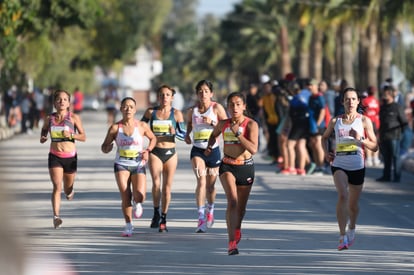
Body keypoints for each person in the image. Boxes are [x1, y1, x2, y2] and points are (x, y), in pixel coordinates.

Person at [322, 87, 378, 250]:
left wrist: (360, 139)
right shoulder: (335, 121)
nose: (350, 102)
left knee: (353, 205)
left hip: (357, 165)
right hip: (339, 163)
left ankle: (351, 227)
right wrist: (326, 153)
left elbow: (374, 146)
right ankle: (342, 236)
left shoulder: (364, 121)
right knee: (342, 196)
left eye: (353, 99)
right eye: (347, 99)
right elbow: (324, 137)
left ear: (358, 101)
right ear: (342, 102)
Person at [205, 91, 259, 255]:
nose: (234, 107)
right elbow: (213, 136)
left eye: (238, 104)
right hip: (227, 166)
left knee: (241, 209)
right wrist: (209, 146)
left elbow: (253, 149)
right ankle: (231, 243)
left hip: (246, 167)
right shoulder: (223, 124)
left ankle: (237, 228)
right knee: (233, 201)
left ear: (244, 106)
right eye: (231, 104)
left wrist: (238, 134)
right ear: (227, 106)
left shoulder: (251, 125)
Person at [101, 97, 156, 237]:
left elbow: (153, 138)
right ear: (120, 109)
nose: (128, 109)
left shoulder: (142, 126)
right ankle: (128, 225)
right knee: (125, 195)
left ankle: (138, 203)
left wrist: (148, 150)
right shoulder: (115, 128)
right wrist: (107, 148)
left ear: (135, 110)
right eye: (125, 107)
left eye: (131, 107)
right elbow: (104, 146)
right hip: (121, 164)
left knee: (140, 195)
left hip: (138, 164)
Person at [184, 80, 228, 233]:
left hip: (213, 150)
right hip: (198, 150)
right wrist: (187, 135)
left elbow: (226, 126)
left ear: (211, 93)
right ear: (197, 94)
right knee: (201, 181)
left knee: (210, 186)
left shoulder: (217, 108)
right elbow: (189, 124)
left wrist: (213, 122)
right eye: (200, 91)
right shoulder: (192, 111)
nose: (203, 94)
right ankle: (201, 217)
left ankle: (211, 209)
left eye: (206, 91)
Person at [141, 85, 186, 232]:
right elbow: (140, 128)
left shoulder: (177, 114)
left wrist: (175, 132)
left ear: (172, 97)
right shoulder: (151, 112)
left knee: (167, 188)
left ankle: (164, 218)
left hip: (171, 153)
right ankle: (155, 212)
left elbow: (184, 136)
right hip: (155, 151)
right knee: (156, 184)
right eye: (162, 95)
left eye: (167, 95)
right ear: (158, 97)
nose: (164, 97)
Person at [40, 89, 86, 229]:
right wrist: (43, 137)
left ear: (69, 103)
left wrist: (71, 135)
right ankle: (56, 217)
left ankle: (70, 191)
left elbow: (83, 137)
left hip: (70, 157)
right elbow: (44, 130)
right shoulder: (49, 118)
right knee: (56, 186)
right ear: (54, 103)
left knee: (67, 188)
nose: (61, 102)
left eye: (65, 99)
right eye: (59, 99)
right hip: (55, 156)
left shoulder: (74, 118)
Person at [376, 86, 408, 183]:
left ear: (390, 95)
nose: (384, 96)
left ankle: (397, 176)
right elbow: (381, 121)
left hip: (394, 136)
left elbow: (404, 122)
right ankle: (386, 176)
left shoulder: (397, 107)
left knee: (395, 156)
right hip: (384, 135)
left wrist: (400, 133)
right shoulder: (383, 107)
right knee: (386, 157)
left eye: (386, 94)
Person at [361, 86, 381, 166]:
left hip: (367, 122)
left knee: (367, 140)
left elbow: (363, 111)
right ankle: (375, 158)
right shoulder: (376, 101)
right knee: (375, 140)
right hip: (375, 122)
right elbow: (377, 112)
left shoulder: (365, 100)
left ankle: (369, 159)